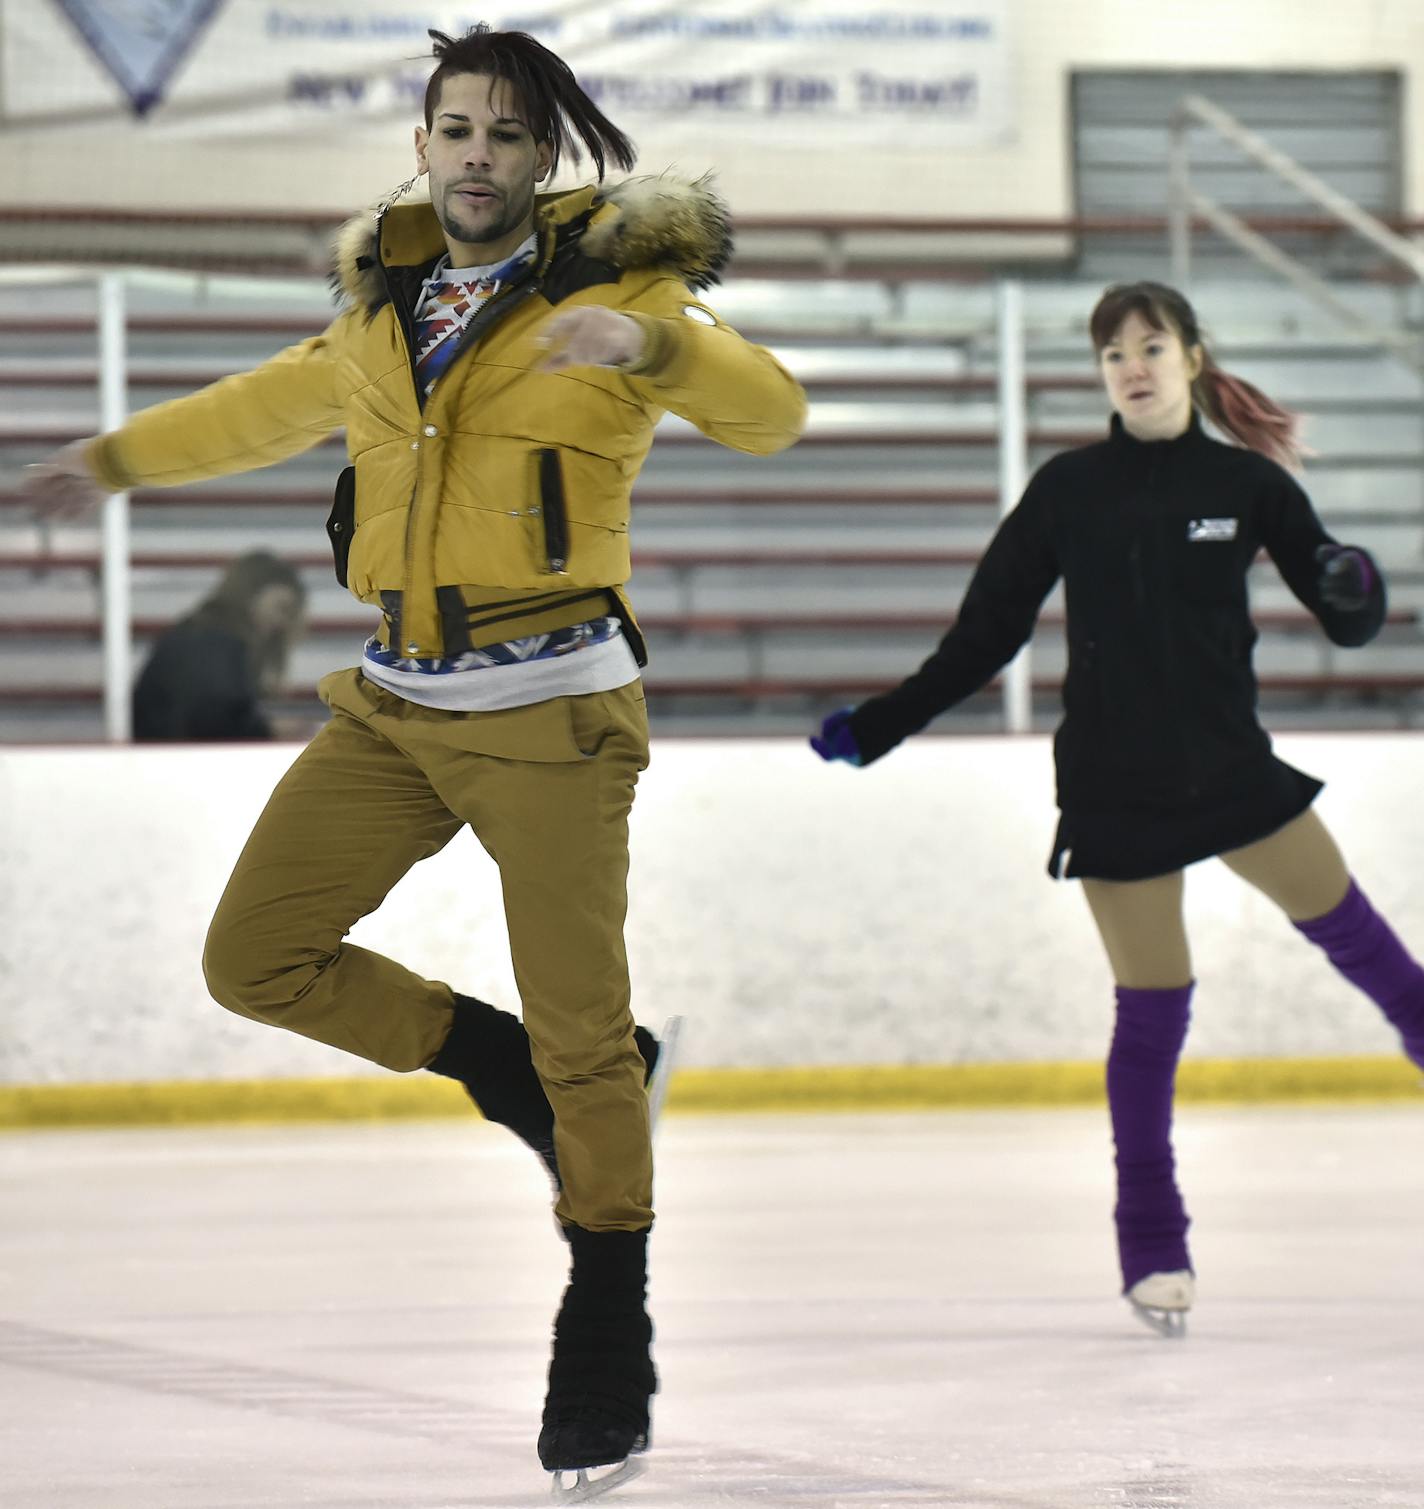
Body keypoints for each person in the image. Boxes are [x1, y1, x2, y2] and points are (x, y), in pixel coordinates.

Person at [21, 24, 806, 1496]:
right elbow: (260, 408)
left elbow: (774, 412)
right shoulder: (387, 302)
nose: (479, 157)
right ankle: (506, 1067)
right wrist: (111, 459)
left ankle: (608, 1317)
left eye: (509, 135)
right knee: (256, 956)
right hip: (394, 700)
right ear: (425, 140)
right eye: (457, 129)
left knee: (588, 1031)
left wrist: (659, 344)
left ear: (544, 155)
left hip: (553, 709)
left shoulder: (614, 290)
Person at [811, 280, 1424, 1338]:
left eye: (1149, 346)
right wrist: (883, 723)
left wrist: (1352, 583)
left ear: (1190, 354)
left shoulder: (1245, 486)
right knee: (1151, 1014)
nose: (1131, 366)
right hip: (1114, 788)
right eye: (1111, 355)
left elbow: (1343, 620)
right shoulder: (1066, 490)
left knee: (1376, 961)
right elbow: (984, 635)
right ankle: (1150, 1238)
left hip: (1232, 773)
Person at [132, 550, 307, 741]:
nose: (282, 623)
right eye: (281, 608)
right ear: (250, 596)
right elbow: (215, 721)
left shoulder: (199, 631)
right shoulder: (215, 642)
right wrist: (267, 730)